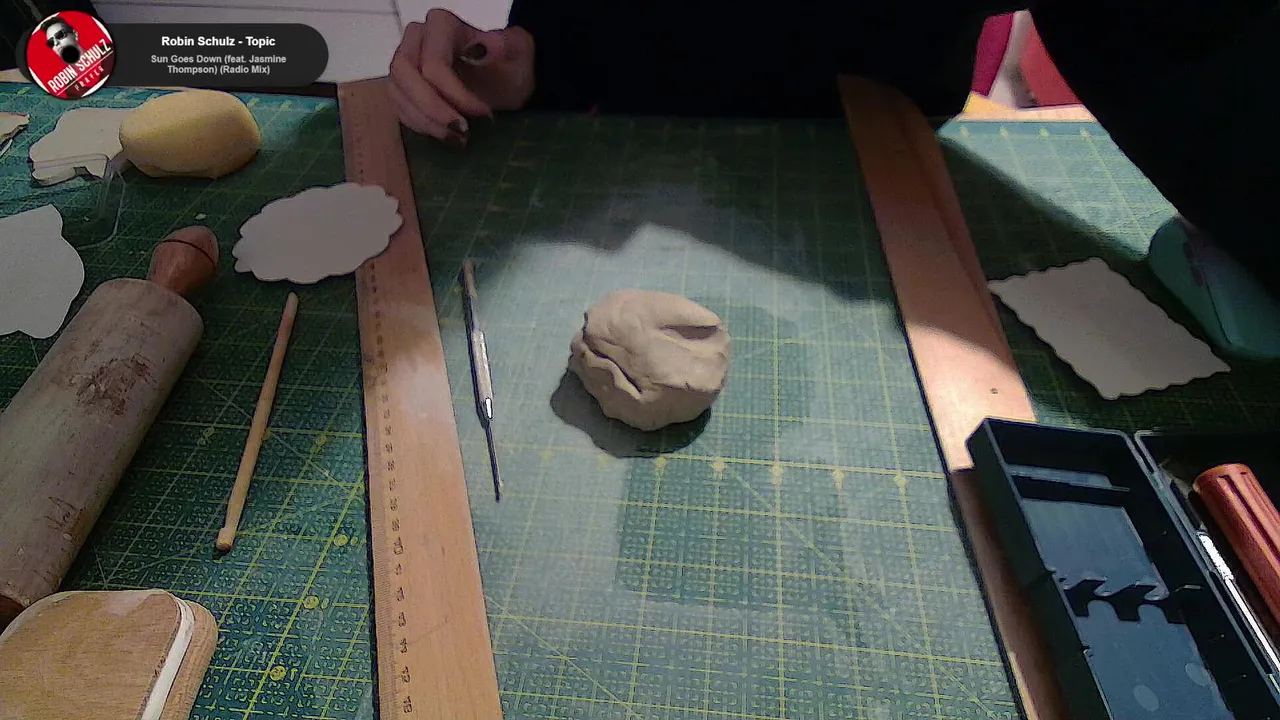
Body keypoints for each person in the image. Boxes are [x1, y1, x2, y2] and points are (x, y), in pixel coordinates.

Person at [390, 0, 1280, 291]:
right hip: (644, 141)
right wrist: (527, 62)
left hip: (877, 151)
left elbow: (1195, 39)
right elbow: (573, 33)